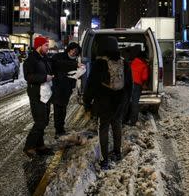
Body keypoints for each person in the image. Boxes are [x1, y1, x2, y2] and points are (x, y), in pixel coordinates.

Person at [83, 36, 132, 170]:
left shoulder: (99, 63)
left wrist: (87, 102)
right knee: (117, 126)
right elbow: (129, 85)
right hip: (119, 102)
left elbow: (91, 85)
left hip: (103, 102)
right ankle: (117, 152)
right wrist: (126, 102)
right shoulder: (124, 62)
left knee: (103, 128)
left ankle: (104, 160)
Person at [23, 36, 54, 158]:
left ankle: (40, 145)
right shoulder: (31, 60)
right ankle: (29, 147)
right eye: (46, 45)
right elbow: (28, 77)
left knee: (44, 120)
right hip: (36, 94)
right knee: (40, 121)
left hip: (45, 93)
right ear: (39, 46)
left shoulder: (44, 58)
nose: (48, 48)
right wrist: (44, 78)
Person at [50, 42, 82, 138]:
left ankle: (61, 129)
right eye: (72, 50)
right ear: (69, 49)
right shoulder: (59, 56)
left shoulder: (74, 60)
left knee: (63, 108)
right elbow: (60, 64)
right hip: (57, 87)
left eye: (76, 51)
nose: (73, 52)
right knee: (58, 109)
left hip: (67, 88)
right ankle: (58, 130)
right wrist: (75, 65)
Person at [126, 46, 149, 126]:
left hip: (128, 84)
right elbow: (144, 77)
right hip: (137, 84)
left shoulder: (131, 62)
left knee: (127, 101)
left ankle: (124, 119)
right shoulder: (143, 65)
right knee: (135, 103)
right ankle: (133, 121)